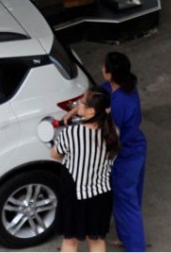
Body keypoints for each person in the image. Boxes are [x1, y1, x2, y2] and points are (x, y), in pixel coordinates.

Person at [51, 89, 120, 252]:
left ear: (91, 111)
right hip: (101, 194)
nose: (77, 105)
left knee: (70, 241)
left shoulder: (72, 133)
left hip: (74, 193)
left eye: (81, 102)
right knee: (96, 240)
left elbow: (54, 154)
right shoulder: (113, 132)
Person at [102, 52, 147, 252]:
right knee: (130, 197)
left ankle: (136, 247)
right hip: (136, 147)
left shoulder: (119, 103)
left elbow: (112, 133)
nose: (101, 68)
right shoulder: (124, 88)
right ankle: (123, 237)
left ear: (111, 74)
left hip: (124, 155)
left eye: (105, 67)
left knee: (126, 202)